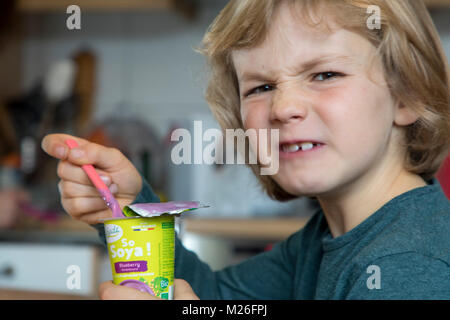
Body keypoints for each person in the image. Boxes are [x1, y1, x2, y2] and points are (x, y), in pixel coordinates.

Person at [41, 0, 449, 300]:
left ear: (406, 96)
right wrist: (130, 209)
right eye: (261, 87)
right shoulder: (325, 239)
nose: (284, 107)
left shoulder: (407, 265)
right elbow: (215, 298)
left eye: (325, 74)